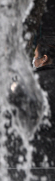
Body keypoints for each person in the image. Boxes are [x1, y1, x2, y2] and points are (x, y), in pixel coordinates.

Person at [31, 36, 55, 166]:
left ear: (44, 59)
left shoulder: (32, 82)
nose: (34, 60)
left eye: (35, 56)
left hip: (38, 151)